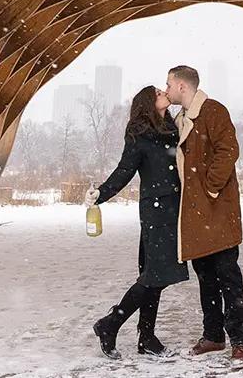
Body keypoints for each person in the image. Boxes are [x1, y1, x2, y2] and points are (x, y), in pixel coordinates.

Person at [85, 85, 189, 360]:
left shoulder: (172, 128)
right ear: (148, 103)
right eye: (158, 93)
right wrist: (101, 194)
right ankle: (111, 324)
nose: (164, 94)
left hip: (173, 209)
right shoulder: (139, 136)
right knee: (154, 275)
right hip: (156, 212)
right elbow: (124, 171)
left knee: (154, 276)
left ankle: (146, 336)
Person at [164, 65, 243, 366]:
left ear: (183, 88)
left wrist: (210, 189)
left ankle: (239, 339)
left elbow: (228, 149)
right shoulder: (181, 119)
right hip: (196, 216)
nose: (167, 90)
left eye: (169, 85)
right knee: (206, 277)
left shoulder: (212, 111)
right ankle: (213, 334)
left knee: (229, 276)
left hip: (218, 210)